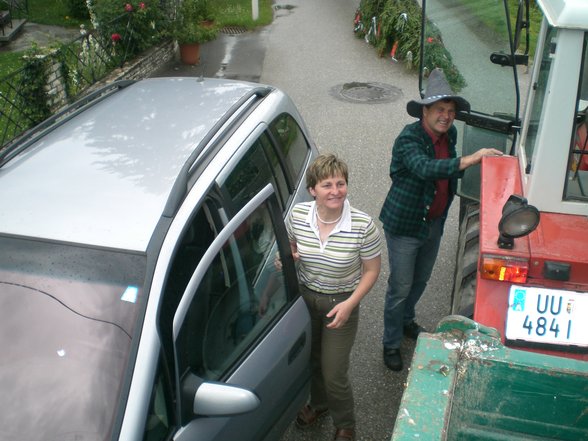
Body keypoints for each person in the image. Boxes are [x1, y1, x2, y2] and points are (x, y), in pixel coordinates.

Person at [379, 68, 503, 371]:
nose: (446, 116)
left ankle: (407, 321)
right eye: (440, 110)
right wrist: (472, 160)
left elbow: (447, 172)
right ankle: (391, 342)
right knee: (400, 286)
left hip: (433, 222)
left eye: (450, 111)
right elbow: (426, 168)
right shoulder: (408, 138)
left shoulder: (451, 134)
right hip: (405, 225)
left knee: (420, 280)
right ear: (425, 110)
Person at [287, 153, 381, 441]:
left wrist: (350, 303)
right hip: (305, 297)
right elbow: (289, 253)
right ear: (312, 190)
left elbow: (372, 271)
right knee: (313, 359)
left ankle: (345, 423)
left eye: (341, 184)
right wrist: (285, 265)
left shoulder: (363, 226)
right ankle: (319, 404)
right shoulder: (298, 216)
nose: (336, 191)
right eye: (327, 185)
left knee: (334, 371)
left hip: (341, 302)